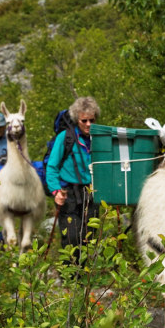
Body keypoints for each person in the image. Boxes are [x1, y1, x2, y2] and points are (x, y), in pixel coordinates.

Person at [46, 97, 100, 264]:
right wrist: (56, 191)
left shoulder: (99, 138)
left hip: (91, 194)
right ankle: (69, 279)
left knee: (88, 238)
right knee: (71, 237)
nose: (89, 124)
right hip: (68, 194)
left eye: (92, 120)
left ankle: (83, 278)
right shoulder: (65, 137)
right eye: (84, 120)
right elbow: (52, 167)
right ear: (77, 119)